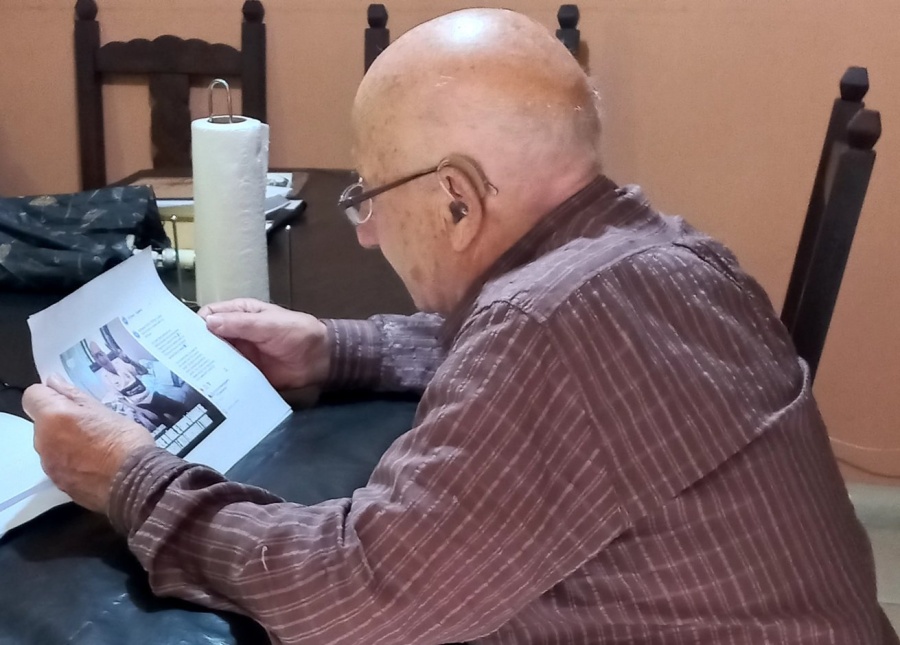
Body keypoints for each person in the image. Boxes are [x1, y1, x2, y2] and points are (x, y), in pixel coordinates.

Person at [22, 8, 897, 645]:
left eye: (366, 194)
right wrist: (334, 347)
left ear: (455, 198)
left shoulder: (550, 324)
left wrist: (131, 476)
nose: (361, 228)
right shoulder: (666, 257)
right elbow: (527, 353)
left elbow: (357, 595)